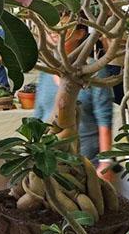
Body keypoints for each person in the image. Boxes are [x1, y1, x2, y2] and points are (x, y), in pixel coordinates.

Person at [34, 22, 114, 176]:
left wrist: (106, 162)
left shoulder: (94, 71)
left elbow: (104, 120)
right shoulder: (46, 71)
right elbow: (38, 114)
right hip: (48, 159)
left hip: (84, 160)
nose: (55, 31)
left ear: (80, 33)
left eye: (64, 25)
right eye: (51, 26)